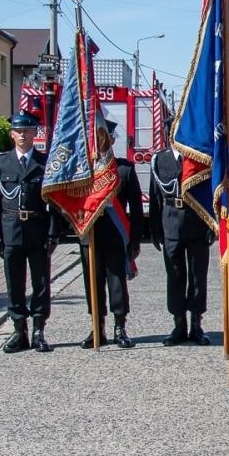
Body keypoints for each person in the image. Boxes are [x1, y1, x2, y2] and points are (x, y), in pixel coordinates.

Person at [0, 112, 61, 352]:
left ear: (35, 133)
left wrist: (53, 233)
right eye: (18, 131)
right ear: (11, 134)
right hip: (11, 230)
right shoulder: (1, 163)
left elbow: (54, 204)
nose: (22, 135)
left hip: (37, 230)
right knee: (14, 283)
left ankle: (39, 330)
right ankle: (20, 332)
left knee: (41, 283)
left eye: (27, 131)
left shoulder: (45, 162)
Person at [78, 118, 146, 349]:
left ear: (111, 140)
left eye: (104, 138)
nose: (100, 144)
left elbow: (136, 210)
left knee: (117, 282)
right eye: (96, 140)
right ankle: (97, 327)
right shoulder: (83, 173)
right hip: (91, 235)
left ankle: (120, 326)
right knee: (92, 282)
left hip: (116, 236)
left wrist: (135, 240)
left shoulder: (124, 170)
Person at [148, 140, 215, 346]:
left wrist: (211, 225)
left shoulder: (198, 157)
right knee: (175, 275)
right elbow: (155, 196)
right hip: (170, 223)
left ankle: (196, 324)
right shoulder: (160, 158)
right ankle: (179, 324)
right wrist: (155, 230)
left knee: (197, 276)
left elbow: (209, 192)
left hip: (196, 222)